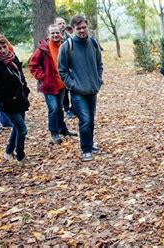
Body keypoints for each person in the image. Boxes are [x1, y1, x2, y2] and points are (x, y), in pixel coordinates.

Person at [58, 15, 103, 162]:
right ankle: (86, 150)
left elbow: (99, 64)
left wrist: (98, 79)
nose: (82, 30)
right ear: (73, 29)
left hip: (92, 89)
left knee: (91, 121)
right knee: (84, 120)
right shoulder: (67, 46)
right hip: (77, 92)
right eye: (79, 28)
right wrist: (72, 85)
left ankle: (90, 144)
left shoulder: (93, 43)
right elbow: (62, 70)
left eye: (84, 27)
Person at [28, 24, 77, 144]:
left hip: (61, 84)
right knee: (53, 109)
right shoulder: (43, 48)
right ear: (48, 35)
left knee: (60, 108)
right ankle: (54, 133)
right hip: (48, 85)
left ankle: (62, 129)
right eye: (52, 33)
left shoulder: (64, 45)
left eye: (57, 32)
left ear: (60, 33)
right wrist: (42, 77)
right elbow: (32, 65)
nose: (55, 35)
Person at [0, 34, 30, 165]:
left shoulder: (12, 57)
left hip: (20, 99)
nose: (3, 50)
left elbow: (20, 75)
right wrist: (9, 99)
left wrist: (25, 90)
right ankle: (20, 156)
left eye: (4, 47)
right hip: (8, 104)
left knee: (17, 127)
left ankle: (8, 151)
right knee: (22, 129)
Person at [55, 17, 76, 119]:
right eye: (59, 23)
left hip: (72, 68)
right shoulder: (54, 39)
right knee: (64, 90)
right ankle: (67, 109)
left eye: (63, 23)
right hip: (61, 69)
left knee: (73, 88)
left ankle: (74, 108)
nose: (62, 25)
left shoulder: (70, 37)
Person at [0, 24, 14, 133]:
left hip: (6, 80)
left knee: (5, 101)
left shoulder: (5, 42)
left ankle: (6, 121)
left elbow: (11, 53)